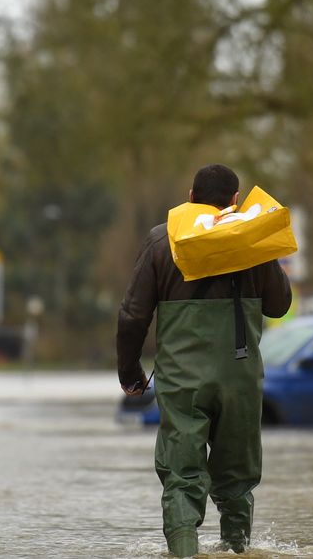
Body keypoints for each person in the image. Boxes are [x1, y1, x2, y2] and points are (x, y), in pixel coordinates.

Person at [116, 164, 293, 557]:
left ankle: (183, 551)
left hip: (182, 380)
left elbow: (132, 315)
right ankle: (238, 548)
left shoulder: (162, 241)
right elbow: (280, 305)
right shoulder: (252, 242)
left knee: (182, 475)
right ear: (234, 201)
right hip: (240, 377)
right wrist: (262, 251)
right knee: (237, 478)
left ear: (190, 197)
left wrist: (129, 372)